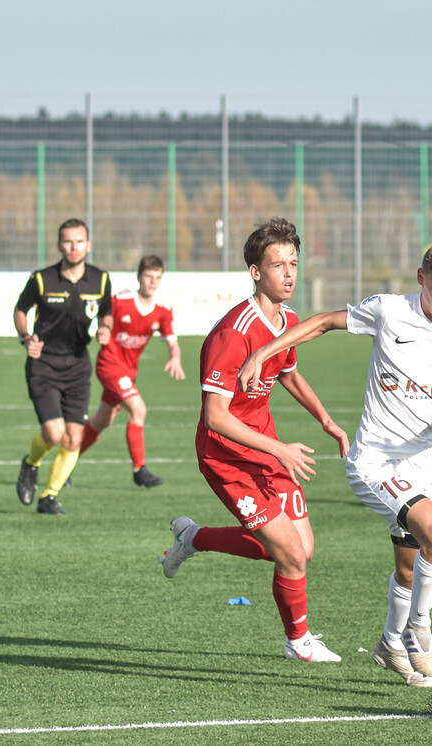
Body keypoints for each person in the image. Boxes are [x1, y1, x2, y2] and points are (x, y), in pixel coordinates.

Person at [237, 230, 432, 687]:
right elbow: (320, 323)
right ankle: (419, 631)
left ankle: (390, 644)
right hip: (373, 461)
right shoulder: (390, 311)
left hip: (419, 461)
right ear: (421, 278)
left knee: (410, 566)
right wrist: (265, 350)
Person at [159, 217, 349, 663]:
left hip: (262, 444)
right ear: (255, 272)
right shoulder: (234, 333)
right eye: (277, 264)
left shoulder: (289, 321)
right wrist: (281, 449)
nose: (288, 273)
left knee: (300, 550)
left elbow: (289, 373)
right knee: (289, 554)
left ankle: (194, 538)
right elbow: (216, 418)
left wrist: (326, 420)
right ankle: (297, 641)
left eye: (294, 263)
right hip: (226, 456)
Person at [13, 218, 113, 515]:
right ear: (59, 245)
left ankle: (49, 497)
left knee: (75, 437)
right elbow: (20, 310)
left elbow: (106, 313)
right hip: (43, 365)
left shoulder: (101, 280)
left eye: (79, 241)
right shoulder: (42, 279)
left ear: (88, 245)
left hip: (77, 367)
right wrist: (25, 337)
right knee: (54, 434)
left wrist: (105, 329)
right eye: (67, 241)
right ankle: (31, 463)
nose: (73, 247)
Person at [78, 255, 185, 488]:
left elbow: (171, 340)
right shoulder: (121, 301)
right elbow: (102, 314)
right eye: (148, 277)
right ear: (139, 277)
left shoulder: (162, 310)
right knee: (138, 409)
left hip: (128, 372)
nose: (152, 282)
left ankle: (66, 461)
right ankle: (140, 469)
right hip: (109, 364)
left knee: (102, 420)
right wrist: (102, 330)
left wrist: (175, 357)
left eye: (157, 278)